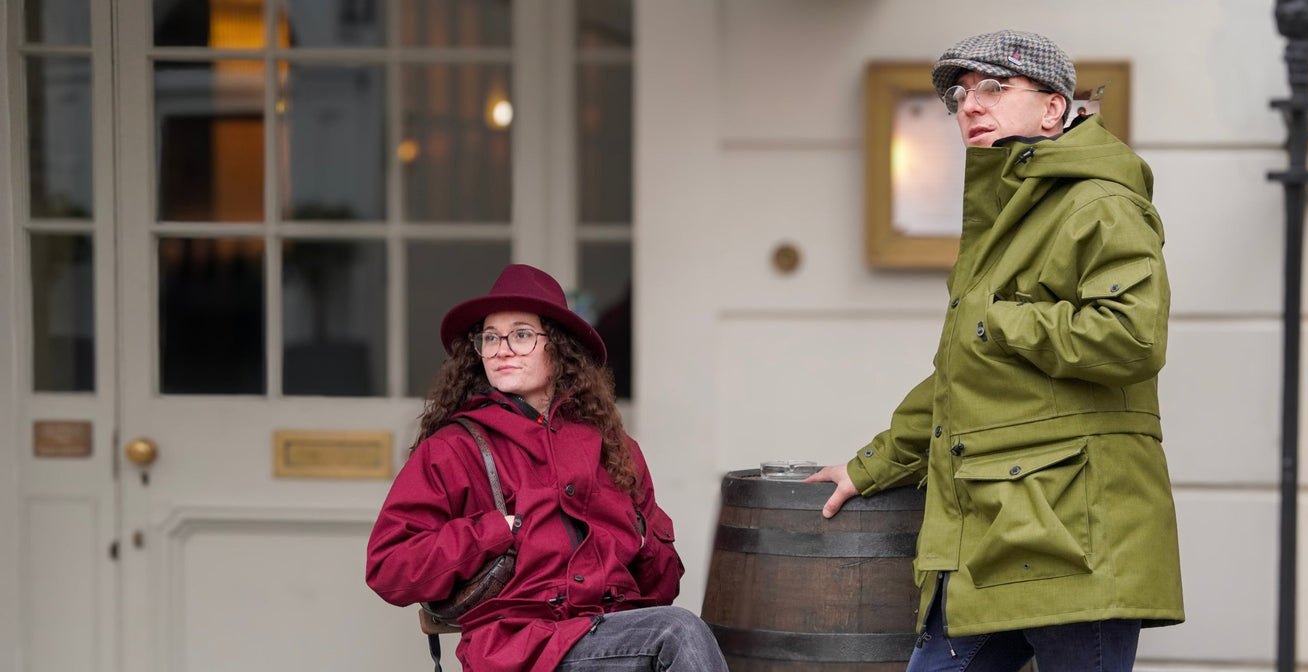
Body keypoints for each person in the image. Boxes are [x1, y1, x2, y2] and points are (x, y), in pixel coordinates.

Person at [806, 29, 1184, 672]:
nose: (969, 105)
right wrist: (869, 466)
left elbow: (1132, 338)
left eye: (993, 86)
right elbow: (960, 379)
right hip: (988, 536)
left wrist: (999, 323)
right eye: (959, 95)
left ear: (1054, 108)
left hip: (1077, 541)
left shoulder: (1100, 201)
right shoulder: (1004, 219)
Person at [366, 264, 727, 672]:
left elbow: (661, 590)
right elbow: (388, 568)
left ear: (559, 349)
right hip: (521, 650)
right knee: (679, 633)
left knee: (694, 632)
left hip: (613, 640)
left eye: (521, 335)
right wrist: (495, 532)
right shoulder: (454, 448)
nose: (502, 349)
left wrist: (642, 539)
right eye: (490, 337)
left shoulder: (614, 449)